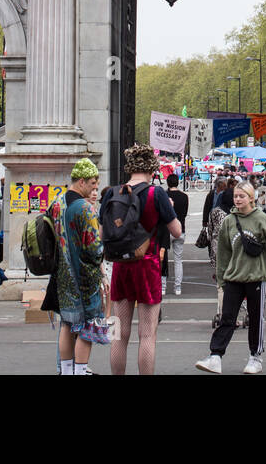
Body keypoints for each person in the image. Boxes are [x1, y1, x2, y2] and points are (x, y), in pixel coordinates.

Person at [105, 144, 181, 376]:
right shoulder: (156, 193)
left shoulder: (112, 192)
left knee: (119, 333)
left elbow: (101, 233)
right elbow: (177, 231)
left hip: (121, 265)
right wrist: (169, 209)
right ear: (152, 168)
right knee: (147, 333)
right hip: (147, 264)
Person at [196, 181, 266, 374]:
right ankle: (215, 356)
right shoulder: (229, 221)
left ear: (251, 198)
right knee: (227, 318)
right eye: (236, 196)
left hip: (256, 277)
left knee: (255, 318)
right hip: (234, 277)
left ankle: (255, 357)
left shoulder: (261, 219)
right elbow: (223, 253)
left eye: (241, 196)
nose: (237, 199)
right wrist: (221, 277)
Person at [44, 160, 106, 375]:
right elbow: (94, 248)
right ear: (81, 182)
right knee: (87, 329)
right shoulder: (85, 208)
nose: (93, 188)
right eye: (92, 183)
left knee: (67, 325)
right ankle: (80, 371)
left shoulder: (56, 203)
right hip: (85, 279)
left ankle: (67, 370)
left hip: (62, 277)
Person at [164, 172, 188, 297]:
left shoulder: (164, 195)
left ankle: (162, 286)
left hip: (166, 230)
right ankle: (177, 287)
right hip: (180, 229)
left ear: (167, 183)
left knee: (163, 259)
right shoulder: (184, 197)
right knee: (178, 260)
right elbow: (184, 213)